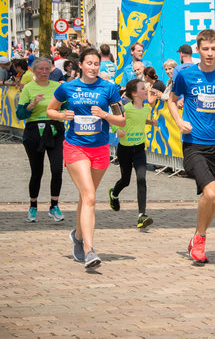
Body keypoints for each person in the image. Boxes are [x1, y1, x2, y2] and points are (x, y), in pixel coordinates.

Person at [47, 48, 126, 269]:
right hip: (75, 148)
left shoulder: (109, 88)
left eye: (96, 64)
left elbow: (121, 120)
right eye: (89, 63)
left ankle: (78, 237)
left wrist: (106, 116)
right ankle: (90, 250)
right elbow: (50, 110)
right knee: (90, 195)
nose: (93, 67)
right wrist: (63, 115)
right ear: (80, 64)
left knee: (86, 197)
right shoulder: (67, 87)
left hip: (100, 149)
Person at [168, 29, 215, 264]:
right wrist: (179, 121)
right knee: (209, 192)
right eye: (205, 49)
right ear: (198, 50)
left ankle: (197, 238)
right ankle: (199, 239)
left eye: (213, 49)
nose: (210, 53)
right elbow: (171, 100)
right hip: (193, 144)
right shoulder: (186, 76)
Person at [16, 57, 65, 223]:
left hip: (55, 130)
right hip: (34, 131)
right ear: (34, 71)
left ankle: (54, 206)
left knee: (57, 169)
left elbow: (66, 107)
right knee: (37, 171)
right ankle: (33, 206)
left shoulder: (58, 87)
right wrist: (32, 104)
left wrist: (63, 112)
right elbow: (20, 114)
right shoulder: (28, 88)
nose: (44, 72)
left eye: (47, 69)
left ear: (51, 69)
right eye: (40, 69)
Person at [108, 79, 158, 228]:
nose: (146, 90)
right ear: (135, 93)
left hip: (139, 149)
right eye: (143, 88)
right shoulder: (126, 109)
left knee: (141, 179)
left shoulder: (145, 108)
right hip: (125, 149)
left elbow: (140, 119)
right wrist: (118, 130)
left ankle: (142, 215)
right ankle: (114, 194)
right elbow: (112, 120)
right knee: (125, 180)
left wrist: (150, 122)